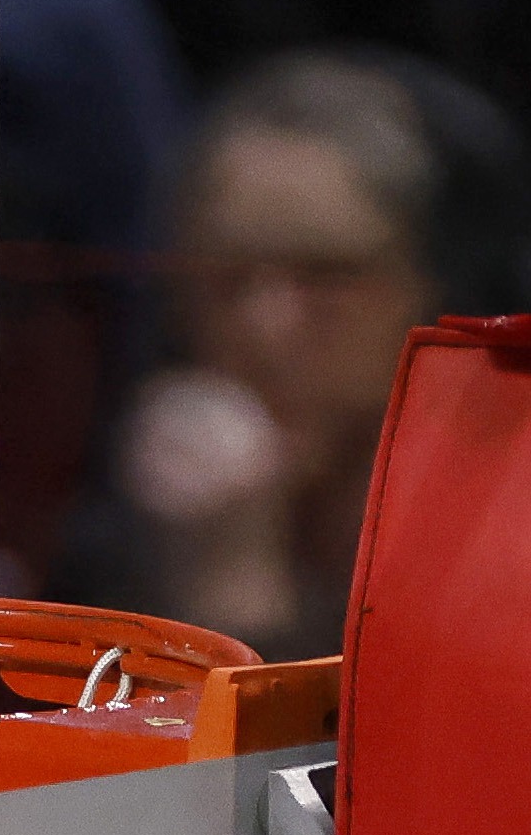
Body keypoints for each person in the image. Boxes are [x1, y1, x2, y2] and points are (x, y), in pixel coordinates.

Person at [98, 51, 531, 665]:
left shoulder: (512, 531)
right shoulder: (134, 516)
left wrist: (240, 604)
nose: (265, 324)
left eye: (328, 276)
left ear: (443, 287)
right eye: (226, 278)